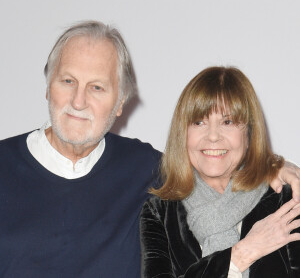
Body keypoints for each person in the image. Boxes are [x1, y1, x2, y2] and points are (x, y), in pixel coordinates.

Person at [0, 22, 298, 278]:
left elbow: (210, 160)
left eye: (97, 88)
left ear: (120, 103)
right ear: (48, 85)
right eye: (68, 81)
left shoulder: (144, 168)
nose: (78, 101)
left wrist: (274, 165)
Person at [140, 66, 300, 278]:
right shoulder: (159, 213)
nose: (213, 136)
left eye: (228, 122)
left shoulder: (286, 199)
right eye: (199, 122)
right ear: (182, 133)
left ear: (249, 132)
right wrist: (241, 255)